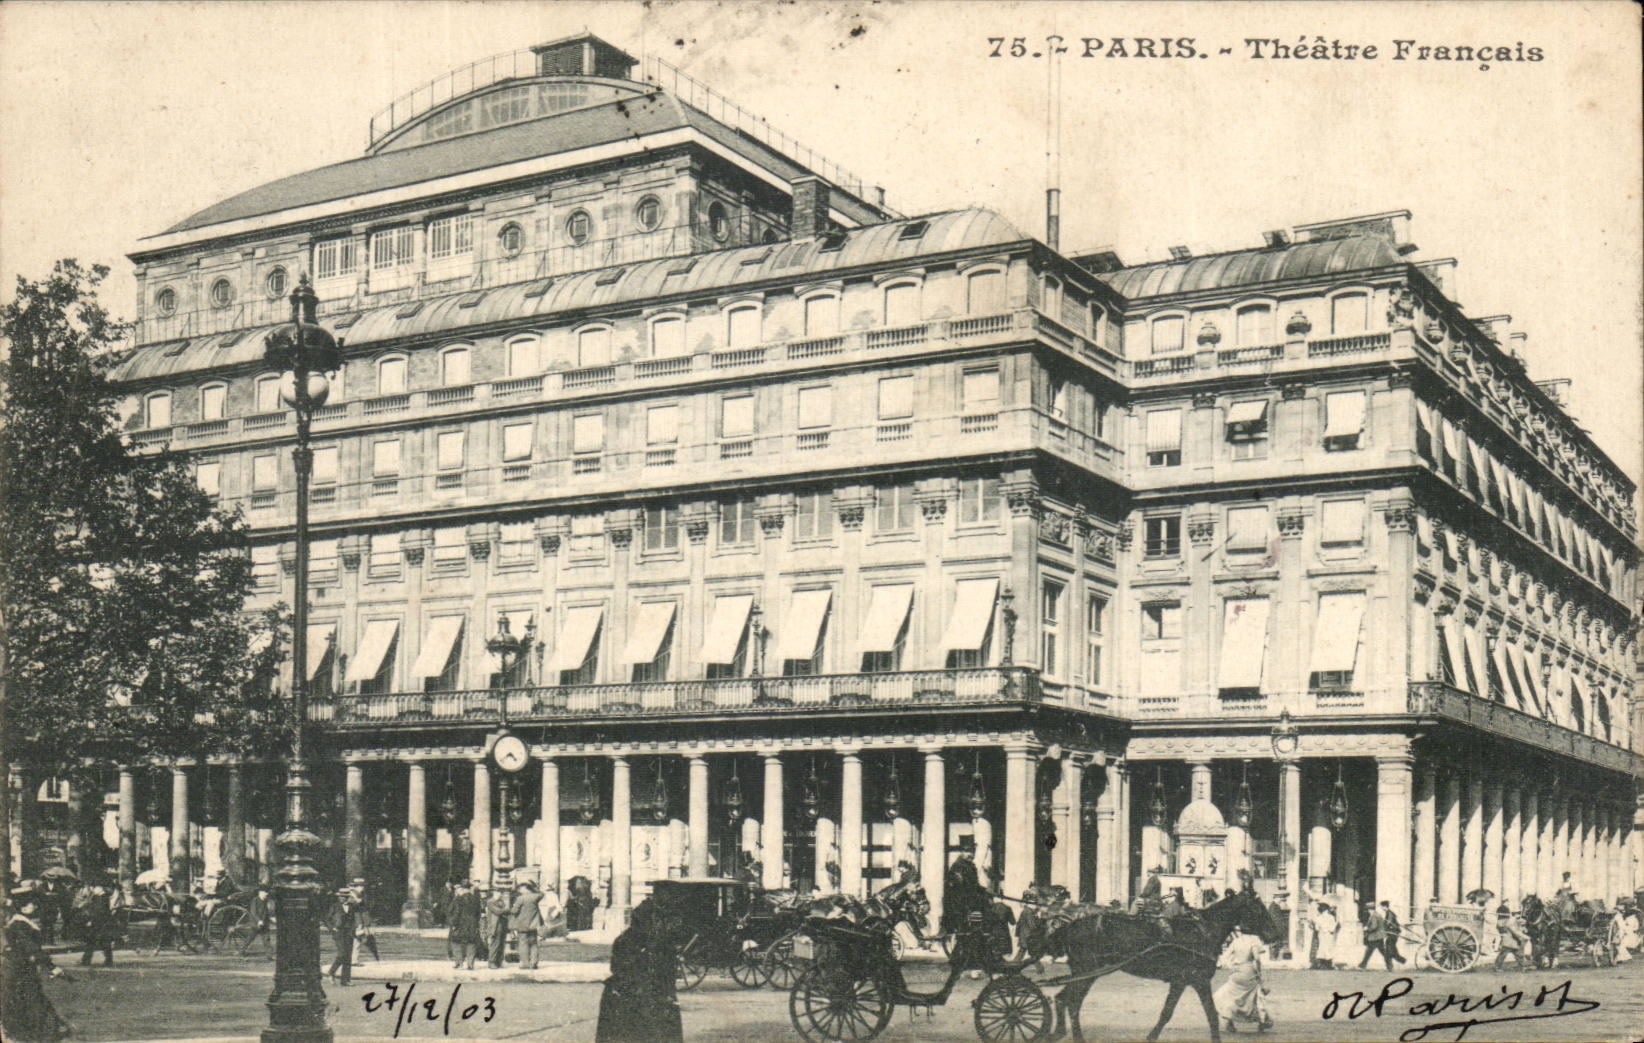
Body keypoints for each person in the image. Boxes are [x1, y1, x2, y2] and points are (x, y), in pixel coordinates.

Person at [595, 898, 683, 1043]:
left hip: (632, 997)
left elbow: (617, 968)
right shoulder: (653, 941)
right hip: (636, 999)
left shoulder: (626, 939)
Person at [4, 890, 73, 1042]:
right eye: (31, 904)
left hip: (22, 967)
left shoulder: (21, 923)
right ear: (22, 908)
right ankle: (42, 1031)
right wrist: (50, 966)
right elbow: (31, 948)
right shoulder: (20, 925)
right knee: (30, 998)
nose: (34, 907)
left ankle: (41, 1029)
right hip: (20, 968)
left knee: (29, 997)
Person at [1213, 923, 1272, 1034]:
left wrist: (1232, 966)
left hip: (1236, 972)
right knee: (1255, 996)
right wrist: (1259, 973)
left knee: (1230, 995)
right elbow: (1257, 959)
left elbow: (1225, 956)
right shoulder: (1254, 941)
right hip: (1248, 971)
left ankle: (1229, 1020)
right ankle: (1263, 1020)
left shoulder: (1236, 941)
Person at [327, 881, 361, 984]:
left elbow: (356, 915)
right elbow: (327, 919)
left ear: (347, 897)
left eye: (344, 896)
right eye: (340, 896)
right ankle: (331, 972)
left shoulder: (352, 906)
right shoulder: (335, 906)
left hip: (349, 932)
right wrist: (332, 928)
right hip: (338, 932)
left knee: (348, 956)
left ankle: (345, 980)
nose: (341, 898)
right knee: (342, 953)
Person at [79, 885, 116, 967]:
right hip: (100, 924)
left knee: (95, 943)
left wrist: (91, 920)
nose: (94, 890)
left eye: (96, 888)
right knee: (101, 943)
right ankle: (107, 960)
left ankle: (87, 960)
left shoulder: (102, 898)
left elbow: (98, 912)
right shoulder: (99, 898)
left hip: (99, 924)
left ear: (100, 889)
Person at [511, 880, 544, 970]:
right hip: (533, 924)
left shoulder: (521, 898)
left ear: (525, 889)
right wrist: (534, 887)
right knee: (533, 943)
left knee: (523, 944)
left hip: (522, 924)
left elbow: (514, 911)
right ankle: (534, 962)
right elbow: (542, 894)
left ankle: (525, 963)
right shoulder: (536, 897)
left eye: (521, 888)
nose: (520, 890)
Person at [449, 883, 483, 969]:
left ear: (463, 889)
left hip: (461, 924)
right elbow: (478, 913)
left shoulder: (459, 899)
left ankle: (459, 962)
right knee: (471, 943)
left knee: (456, 942)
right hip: (472, 925)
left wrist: (453, 924)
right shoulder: (476, 899)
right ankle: (470, 964)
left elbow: (457, 913)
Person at [1494, 905, 1530, 971]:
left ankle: (1522, 967)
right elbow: (1514, 931)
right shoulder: (1511, 921)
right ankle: (1497, 967)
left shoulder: (1516, 920)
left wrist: (1523, 928)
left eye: (1519, 913)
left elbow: (1520, 926)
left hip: (1514, 940)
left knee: (1518, 954)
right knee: (1503, 954)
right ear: (1513, 914)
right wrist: (1524, 936)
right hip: (1509, 940)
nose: (1518, 915)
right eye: (1517, 913)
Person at [1357, 901, 1390, 969]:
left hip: (1375, 937)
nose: (1367, 911)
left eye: (1368, 909)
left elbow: (1374, 926)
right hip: (1379, 937)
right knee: (1381, 952)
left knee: (1369, 952)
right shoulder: (1377, 914)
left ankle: (1362, 965)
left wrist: (1367, 929)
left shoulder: (1374, 916)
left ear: (1370, 909)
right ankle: (1389, 965)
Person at [486, 886, 513, 968]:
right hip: (495, 926)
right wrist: (505, 910)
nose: (499, 895)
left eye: (500, 893)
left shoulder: (501, 902)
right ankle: (492, 962)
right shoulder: (490, 902)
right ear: (493, 893)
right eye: (497, 893)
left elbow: (505, 911)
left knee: (501, 944)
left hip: (503, 924)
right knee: (495, 944)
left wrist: (505, 910)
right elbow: (498, 911)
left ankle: (499, 961)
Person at [1310, 903, 1338, 969]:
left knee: (1322, 947)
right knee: (1328, 947)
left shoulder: (1318, 918)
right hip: (1329, 934)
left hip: (1321, 934)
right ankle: (1328, 963)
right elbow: (1333, 928)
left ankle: (1321, 964)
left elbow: (1317, 928)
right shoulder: (1331, 917)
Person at [1380, 900, 1406, 966]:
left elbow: (1388, 923)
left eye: (1382, 907)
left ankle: (1391, 965)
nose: (1381, 908)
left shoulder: (1390, 914)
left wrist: (1383, 927)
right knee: (1393, 949)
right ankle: (1402, 961)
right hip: (1392, 933)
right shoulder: (1389, 913)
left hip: (1393, 933)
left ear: (1385, 906)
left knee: (1388, 950)